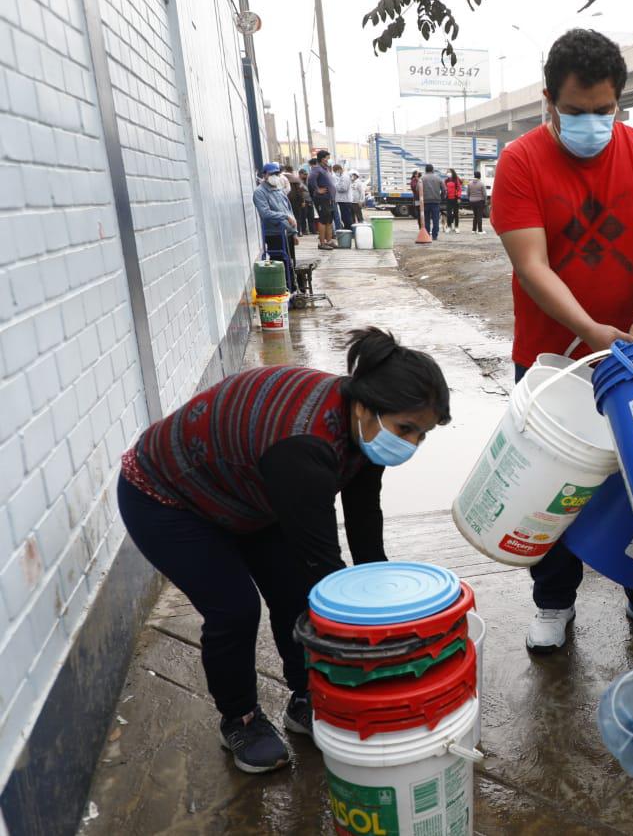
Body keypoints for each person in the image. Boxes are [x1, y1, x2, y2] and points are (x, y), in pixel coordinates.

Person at [117, 328, 450, 774]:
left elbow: (365, 524)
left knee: (293, 592)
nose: (410, 444)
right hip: (167, 497)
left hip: (248, 490)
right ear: (365, 405)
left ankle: (306, 698)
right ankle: (241, 718)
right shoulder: (303, 446)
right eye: (406, 428)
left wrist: (385, 603)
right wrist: (370, 654)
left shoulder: (361, 430)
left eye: (422, 435)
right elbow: (325, 571)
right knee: (234, 607)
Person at [490, 28, 633, 653]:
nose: (592, 124)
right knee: (553, 486)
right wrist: (590, 331)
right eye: (575, 112)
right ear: (549, 100)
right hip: (553, 358)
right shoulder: (520, 161)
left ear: (619, 102)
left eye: (604, 111)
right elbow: (533, 265)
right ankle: (554, 601)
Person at [253, 163, 298, 290]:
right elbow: (265, 213)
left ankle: (292, 288)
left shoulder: (278, 189)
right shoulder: (260, 192)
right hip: (274, 233)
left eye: (277, 174)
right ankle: (284, 289)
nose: (275, 176)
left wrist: (294, 232)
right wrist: (285, 217)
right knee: (280, 262)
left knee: (290, 262)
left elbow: (289, 210)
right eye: (272, 174)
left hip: (287, 232)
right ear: (265, 175)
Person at [309, 150, 337, 250]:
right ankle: (322, 243)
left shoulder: (325, 169)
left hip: (329, 198)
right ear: (322, 159)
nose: (328, 160)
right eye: (327, 158)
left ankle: (329, 241)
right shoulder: (317, 169)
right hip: (321, 199)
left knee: (329, 220)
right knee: (322, 220)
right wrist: (317, 189)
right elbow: (311, 180)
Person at [420, 163, 444, 241]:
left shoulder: (422, 178)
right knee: (435, 219)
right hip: (436, 201)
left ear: (425, 170)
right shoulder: (438, 178)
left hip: (425, 202)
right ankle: (435, 236)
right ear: (432, 169)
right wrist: (441, 198)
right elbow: (444, 189)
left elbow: (418, 189)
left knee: (426, 219)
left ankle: (427, 234)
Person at [333, 164, 355, 229]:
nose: (335, 173)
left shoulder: (345, 176)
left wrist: (335, 185)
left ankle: (349, 231)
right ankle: (347, 230)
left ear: (339, 169)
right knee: (344, 217)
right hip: (343, 200)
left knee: (347, 217)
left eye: (335, 171)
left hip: (345, 200)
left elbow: (344, 188)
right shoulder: (342, 176)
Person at [467, 169, 486, 234]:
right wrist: (485, 201)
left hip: (472, 201)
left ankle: (474, 230)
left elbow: (468, 193)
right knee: (479, 216)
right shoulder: (481, 184)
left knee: (475, 216)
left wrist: (470, 199)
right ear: (480, 176)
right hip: (479, 201)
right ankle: (480, 230)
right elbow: (484, 194)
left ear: (474, 176)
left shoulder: (469, 183)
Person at [298, 167, 315, 236]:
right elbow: (300, 190)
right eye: (304, 174)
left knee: (311, 216)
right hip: (304, 201)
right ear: (300, 174)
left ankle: (312, 230)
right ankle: (304, 230)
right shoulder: (298, 181)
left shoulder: (307, 181)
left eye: (306, 174)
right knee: (303, 216)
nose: (305, 176)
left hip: (310, 200)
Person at [444, 169, 462, 233]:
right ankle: (449, 226)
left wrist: (459, 197)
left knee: (456, 214)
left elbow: (459, 189)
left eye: (449, 172)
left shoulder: (456, 179)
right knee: (448, 214)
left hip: (455, 199)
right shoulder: (446, 181)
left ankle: (456, 227)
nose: (448, 173)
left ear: (452, 172)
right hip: (448, 199)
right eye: (447, 172)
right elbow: (444, 189)